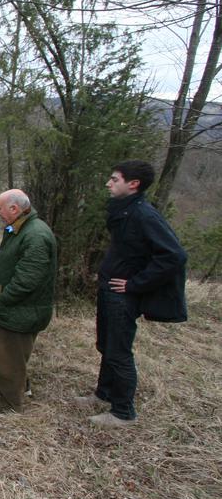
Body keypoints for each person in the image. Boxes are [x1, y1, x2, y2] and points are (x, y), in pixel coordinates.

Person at [74, 160, 187, 428]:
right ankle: (104, 393)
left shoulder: (144, 215)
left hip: (123, 295)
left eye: (114, 179)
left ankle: (123, 411)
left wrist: (136, 284)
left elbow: (175, 256)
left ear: (133, 184)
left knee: (119, 351)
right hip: (110, 290)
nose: (108, 184)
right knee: (106, 345)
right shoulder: (125, 211)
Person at [0, 189, 57, 417]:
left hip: (21, 309)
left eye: (0, 208)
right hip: (18, 308)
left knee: (9, 354)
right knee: (14, 353)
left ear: (14, 208)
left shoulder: (35, 235)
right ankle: (21, 386)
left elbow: (27, 280)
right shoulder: (21, 227)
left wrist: (2, 299)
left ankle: (9, 404)